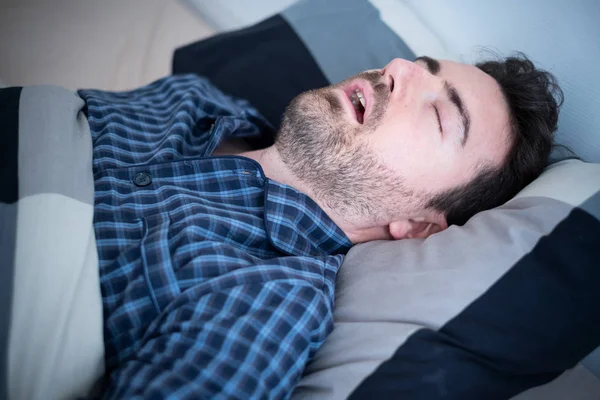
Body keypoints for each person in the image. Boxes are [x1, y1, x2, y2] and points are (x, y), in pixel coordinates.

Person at [78, 53, 562, 398]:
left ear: (417, 226)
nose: (398, 70)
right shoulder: (195, 100)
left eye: (439, 113)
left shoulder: (271, 297)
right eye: (418, 63)